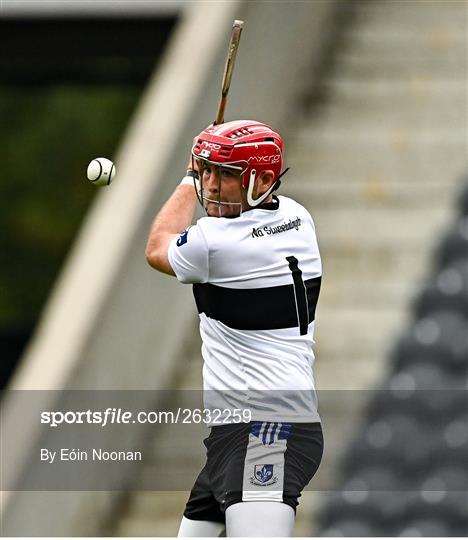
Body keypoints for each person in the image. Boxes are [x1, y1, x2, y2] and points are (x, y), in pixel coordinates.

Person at [146, 120, 323, 537]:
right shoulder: (297, 216)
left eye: (226, 174)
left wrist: (187, 176)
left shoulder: (214, 241)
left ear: (262, 180)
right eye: (207, 171)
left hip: (266, 428)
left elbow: (157, 247)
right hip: (241, 432)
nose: (211, 184)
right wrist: (214, 163)